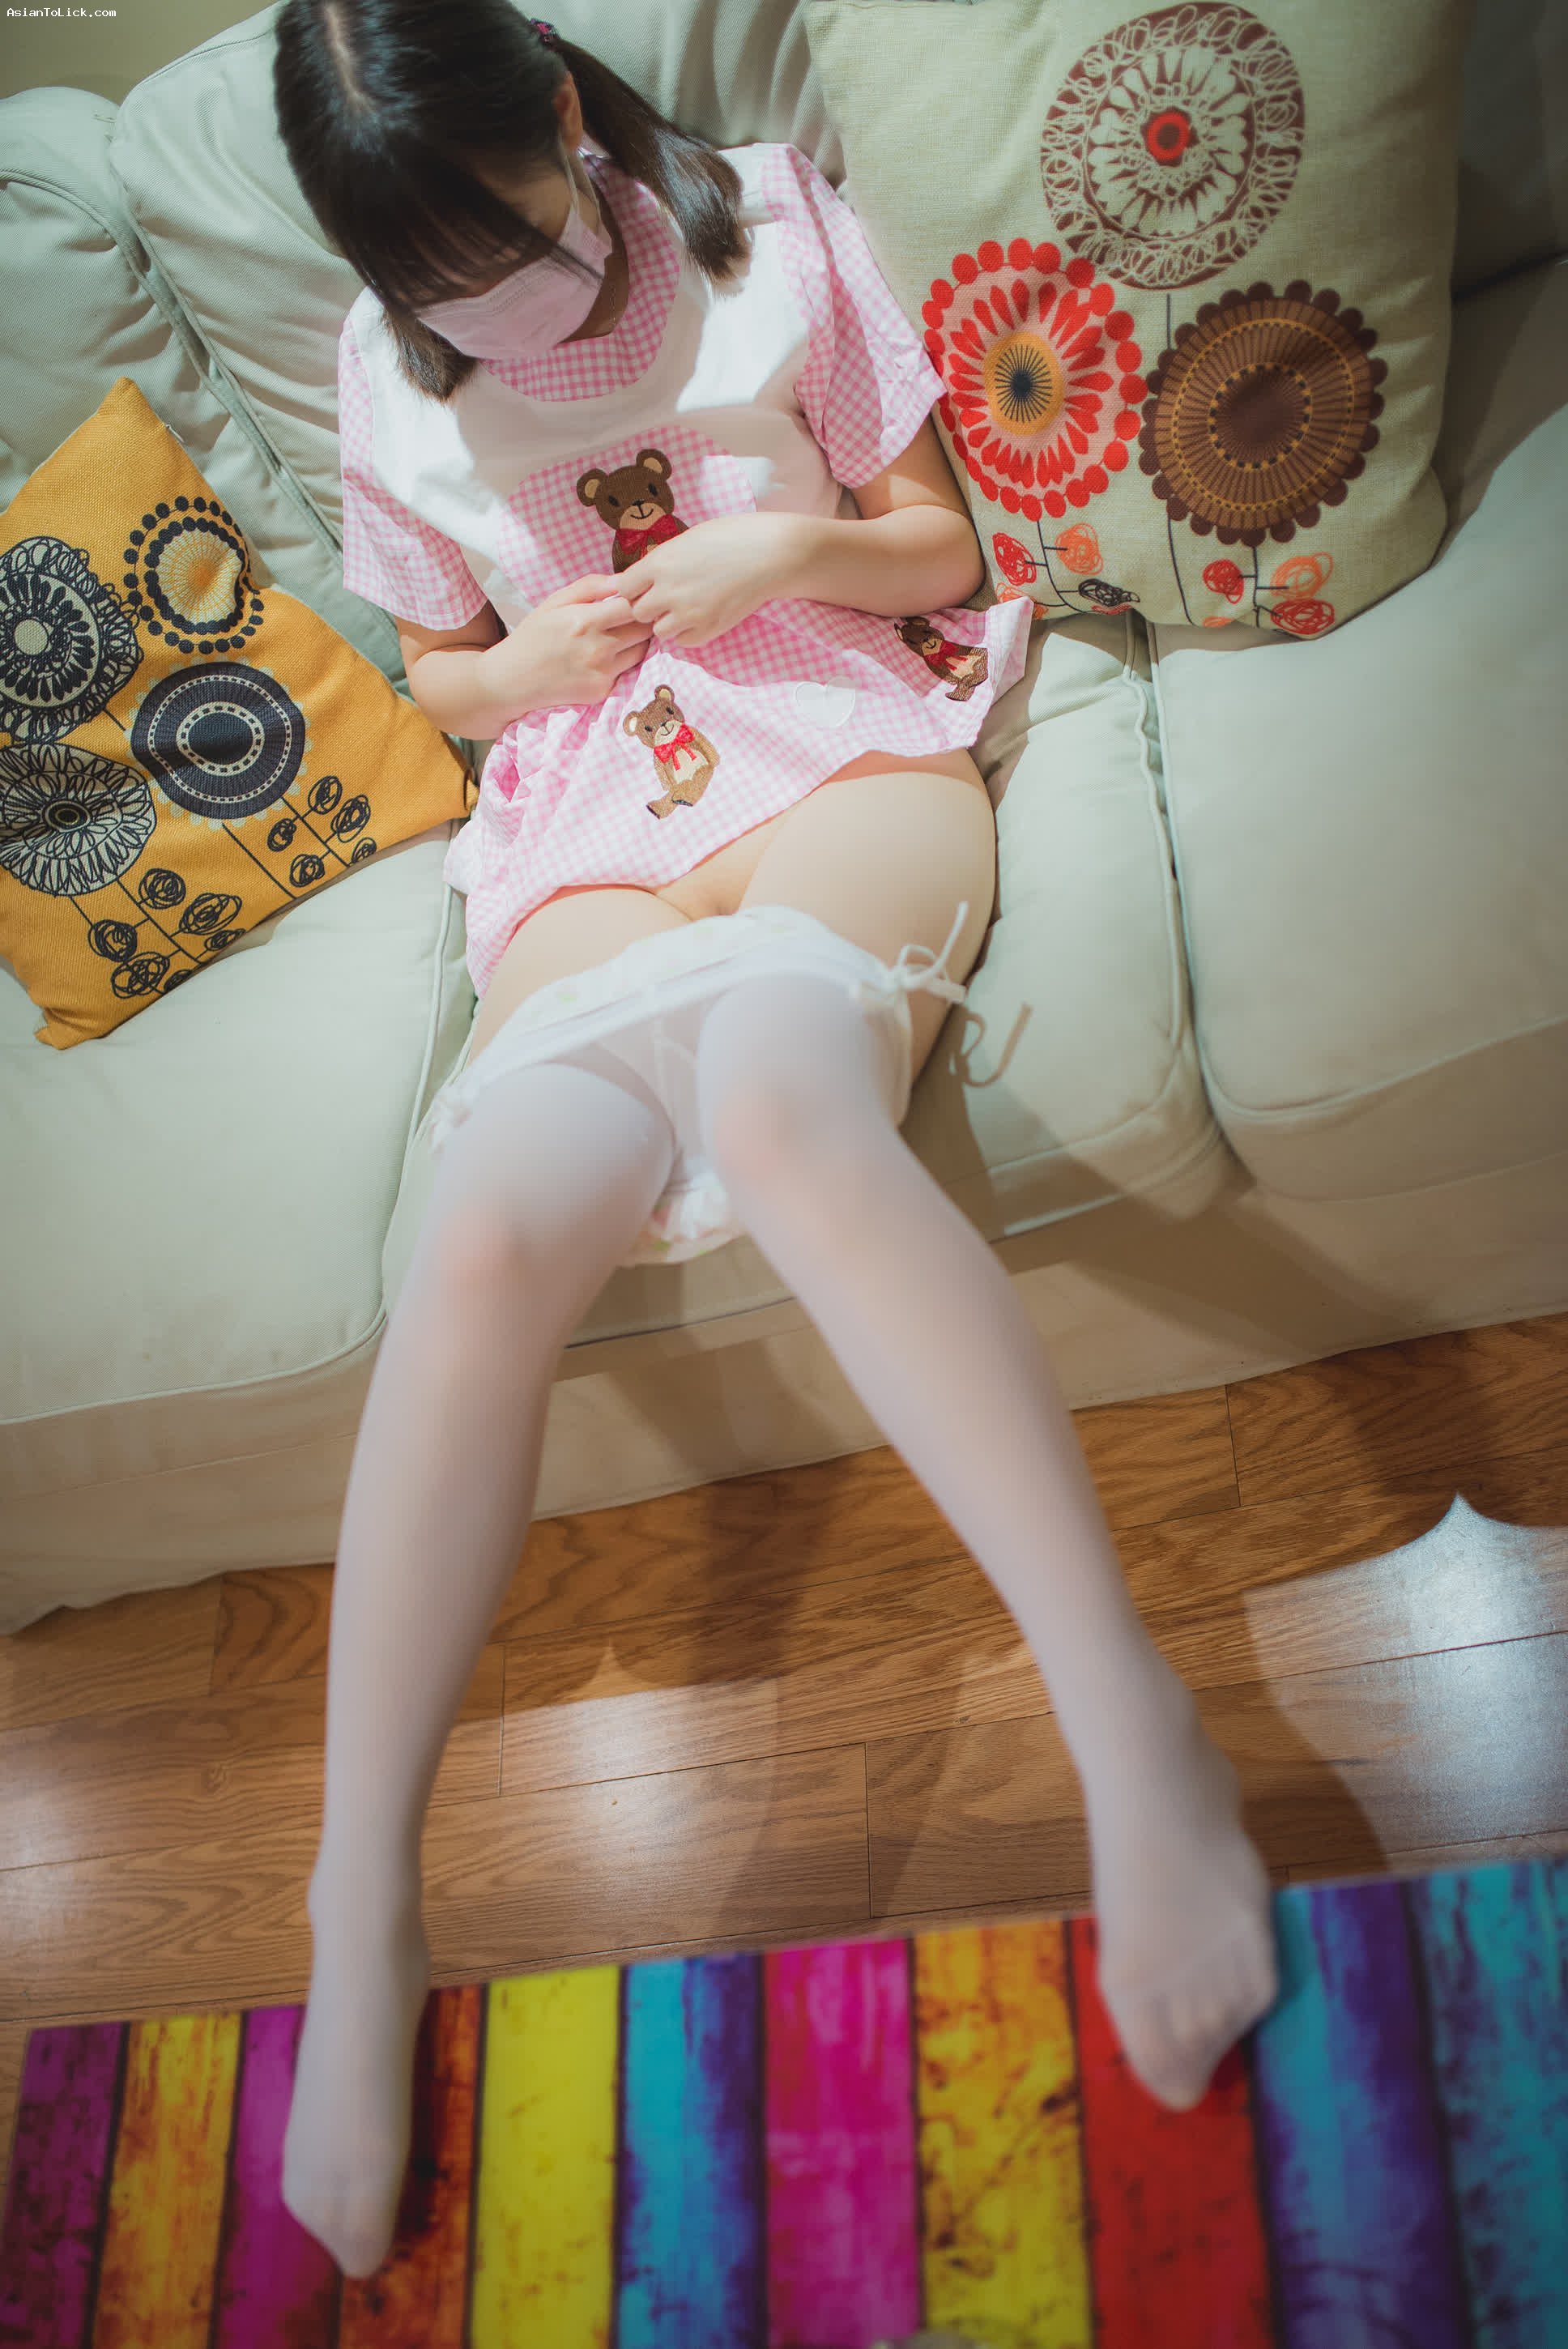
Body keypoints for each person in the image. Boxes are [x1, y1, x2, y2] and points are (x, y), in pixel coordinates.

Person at [271, 0, 1279, 2281]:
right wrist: (517, 677)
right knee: (478, 1243)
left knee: (776, 1099)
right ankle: (362, 1902)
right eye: (440, 297)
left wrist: (776, 558)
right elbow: (436, 668)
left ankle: (1137, 1737)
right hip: (590, 828)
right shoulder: (383, 364)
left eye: (515, 257)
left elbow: (939, 549)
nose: (496, 326)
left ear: (564, 115)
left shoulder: (767, 233)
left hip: (832, 739)